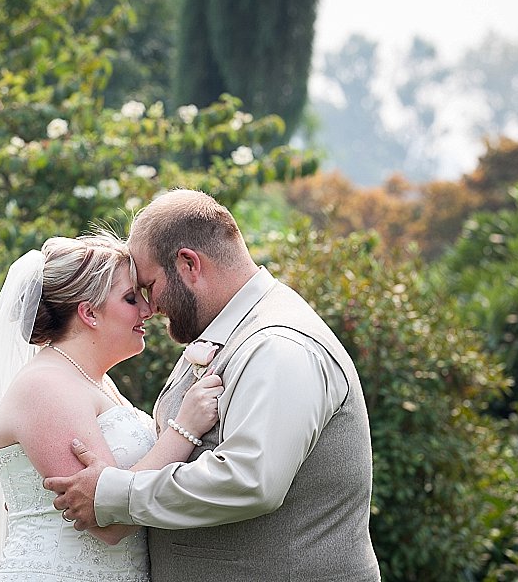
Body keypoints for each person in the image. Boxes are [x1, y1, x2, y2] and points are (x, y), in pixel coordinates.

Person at [44, 190, 381, 581]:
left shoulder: (278, 345)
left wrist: (114, 493)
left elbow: (250, 480)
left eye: (150, 286)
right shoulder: (226, 334)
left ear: (189, 264)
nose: (150, 308)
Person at [0, 233, 224, 582]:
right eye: (131, 298)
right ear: (89, 313)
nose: (148, 310)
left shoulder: (93, 381)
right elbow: (109, 522)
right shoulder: (46, 387)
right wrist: (184, 429)